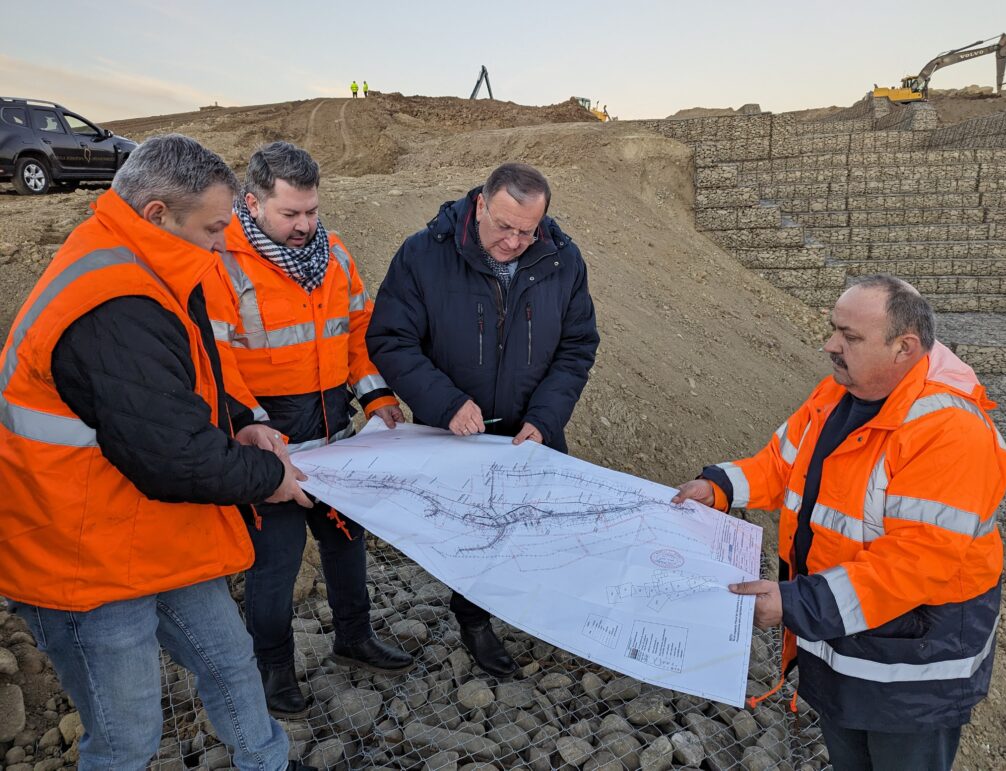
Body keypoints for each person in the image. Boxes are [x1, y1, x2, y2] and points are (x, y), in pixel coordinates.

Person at [0, 134, 314, 771]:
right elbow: (173, 456)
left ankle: (267, 763)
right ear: (158, 214)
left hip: (152, 532)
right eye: (215, 228)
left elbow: (178, 382)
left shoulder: (147, 262)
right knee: (127, 737)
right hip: (81, 555)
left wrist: (242, 422)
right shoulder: (113, 301)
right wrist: (271, 476)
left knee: (231, 664)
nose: (223, 243)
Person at [673, 275, 1006, 771]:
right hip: (841, 644)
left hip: (913, 674)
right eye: (834, 329)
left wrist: (796, 603)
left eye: (849, 337)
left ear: (904, 347)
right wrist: (720, 487)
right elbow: (782, 464)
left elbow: (915, 564)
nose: (830, 345)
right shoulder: (837, 393)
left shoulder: (950, 430)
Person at [204, 141, 413, 718]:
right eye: (290, 213)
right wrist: (256, 434)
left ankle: (354, 638)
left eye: (312, 211)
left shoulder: (335, 253)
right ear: (253, 203)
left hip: (336, 438)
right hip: (269, 449)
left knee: (346, 541)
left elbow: (358, 331)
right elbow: (217, 362)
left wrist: (376, 398)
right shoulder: (222, 263)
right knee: (276, 563)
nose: (304, 225)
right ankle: (272, 670)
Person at [367, 162, 599, 677]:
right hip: (456, 434)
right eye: (504, 227)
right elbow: (391, 339)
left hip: (529, 433)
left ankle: (520, 606)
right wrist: (446, 403)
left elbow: (577, 346)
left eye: (527, 231)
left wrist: (546, 417)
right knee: (473, 534)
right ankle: (473, 620)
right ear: (480, 205)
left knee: (531, 525)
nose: (514, 242)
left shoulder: (562, 259)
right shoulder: (424, 254)